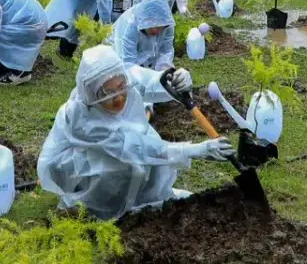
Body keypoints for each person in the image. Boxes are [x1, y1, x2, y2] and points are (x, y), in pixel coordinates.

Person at [36, 45, 230, 219]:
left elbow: (147, 80)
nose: (119, 97)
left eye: (122, 88)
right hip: (70, 168)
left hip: (120, 146)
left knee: (151, 146)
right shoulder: (83, 120)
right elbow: (135, 149)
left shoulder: (117, 79)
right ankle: (101, 207)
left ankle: (146, 198)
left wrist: (173, 78)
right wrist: (196, 150)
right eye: (108, 94)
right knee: (120, 163)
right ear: (91, 94)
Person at [110, 0, 176, 72]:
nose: (155, 31)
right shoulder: (131, 26)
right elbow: (128, 64)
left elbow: (166, 52)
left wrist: (164, 70)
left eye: (159, 28)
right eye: (151, 26)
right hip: (117, 49)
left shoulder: (167, 24)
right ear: (144, 21)